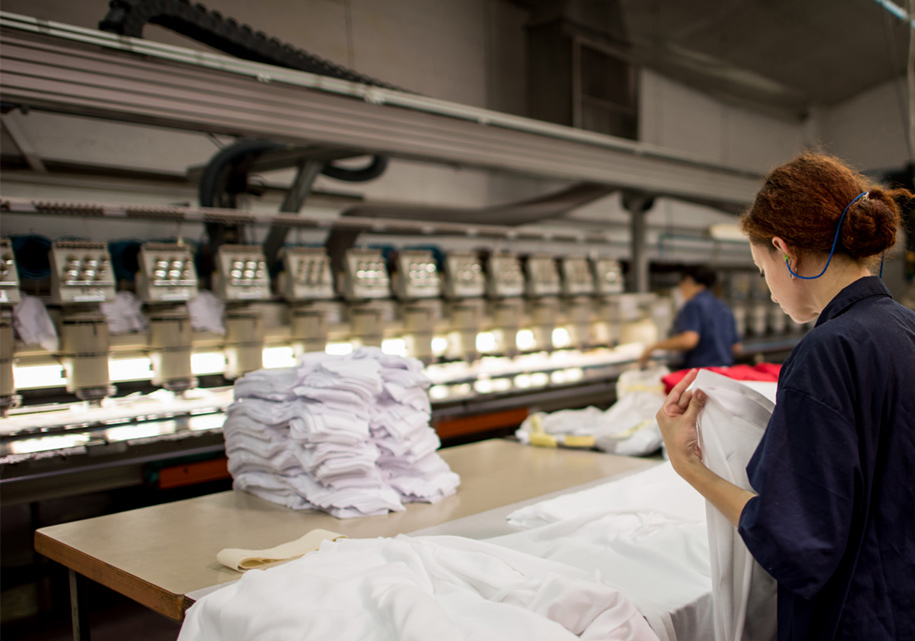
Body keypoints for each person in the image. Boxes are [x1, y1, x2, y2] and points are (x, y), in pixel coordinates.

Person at [657, 151, 915, 640]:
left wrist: (688, 464)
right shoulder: (906, 328)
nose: (770, 289)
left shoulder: (826, 353)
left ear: (785, 251)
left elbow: (796, 542)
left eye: (761, 269)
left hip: (857, 620)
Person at [638, 265, 741, 369]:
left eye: (681, 285)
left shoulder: (693, 305)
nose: (681, 289)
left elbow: (689, 340)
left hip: (703, 372)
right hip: (725, 371)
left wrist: (653, 347)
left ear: (689, 280)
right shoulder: (723, 306)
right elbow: (736, 348)